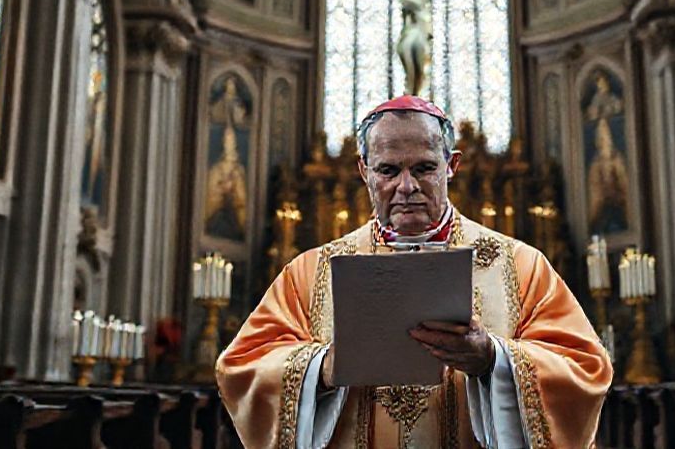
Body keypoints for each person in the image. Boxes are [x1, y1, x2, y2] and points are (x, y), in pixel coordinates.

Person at [216, 95, 612, 447]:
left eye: (424, 168)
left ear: (451, 166)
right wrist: (320, 370)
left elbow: (584, 368)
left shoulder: (519, 266)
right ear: (364, 171)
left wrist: (493, 358)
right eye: (388, 170)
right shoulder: (310, 272)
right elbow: (243, 367)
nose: (406, 186)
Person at [336, 0, 495, 96]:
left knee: (419, 67)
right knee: (407, 61)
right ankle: (410, 90)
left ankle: (415, 93)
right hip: (408, 33)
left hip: (420, 33)